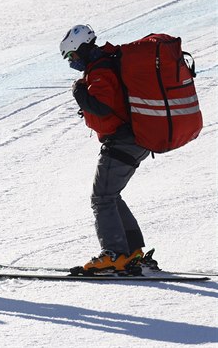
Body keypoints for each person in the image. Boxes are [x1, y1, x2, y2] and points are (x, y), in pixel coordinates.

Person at [60, 25, 152, 273]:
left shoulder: (100, 70)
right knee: (110, 195)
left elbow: (101, 107)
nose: (72, 62)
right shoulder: (105, 64)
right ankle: (131, 251)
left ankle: (114, 253)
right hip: (134, 138)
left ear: (81, 50)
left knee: (101, 198)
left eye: (72, 56)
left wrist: (79, 92)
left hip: (123, 140)